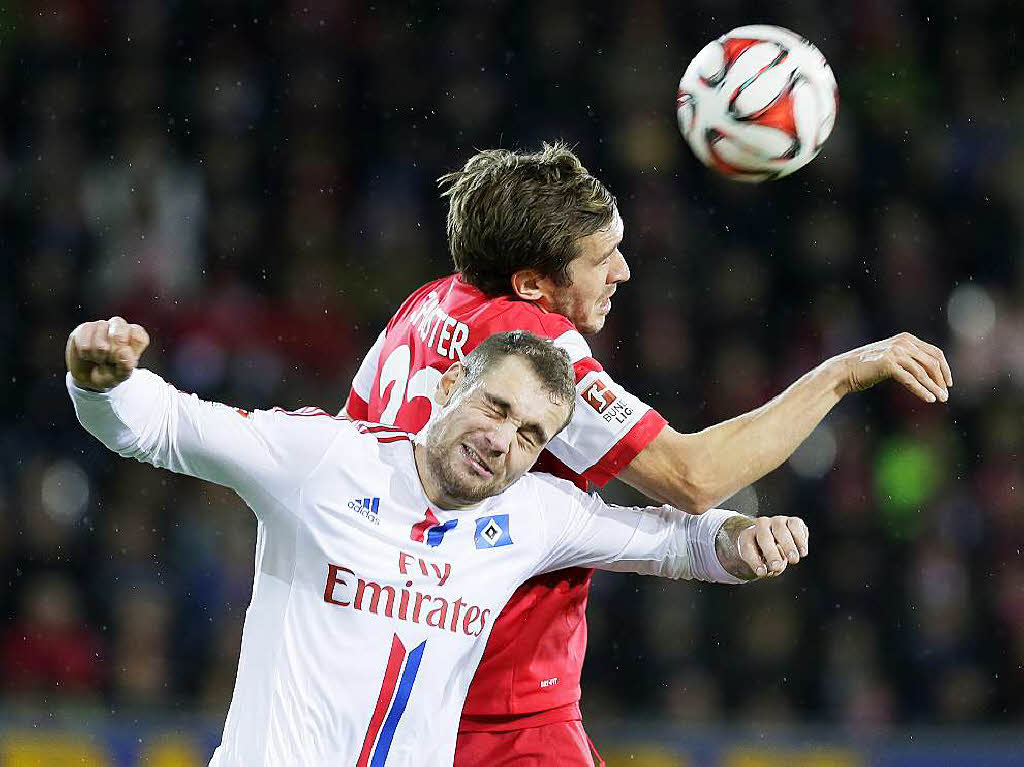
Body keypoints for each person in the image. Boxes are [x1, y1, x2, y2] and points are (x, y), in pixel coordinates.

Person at [342, 142, 953, 764]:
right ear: (530, 284)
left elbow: (348, 455)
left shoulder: (423, 306)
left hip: (391, 691)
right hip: (504, 714)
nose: (623, 272)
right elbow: (694, 476)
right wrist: (843, 374)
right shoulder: (529, 348)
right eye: (601, 259)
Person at [66, 318, 808, 766]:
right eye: (496, 406)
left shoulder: (532, 514)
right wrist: (99, 382)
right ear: (450, 382)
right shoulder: (324, 460)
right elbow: (162, 426)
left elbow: (672, 540)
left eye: (530, 435)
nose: (502, 442)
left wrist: (744, 539)